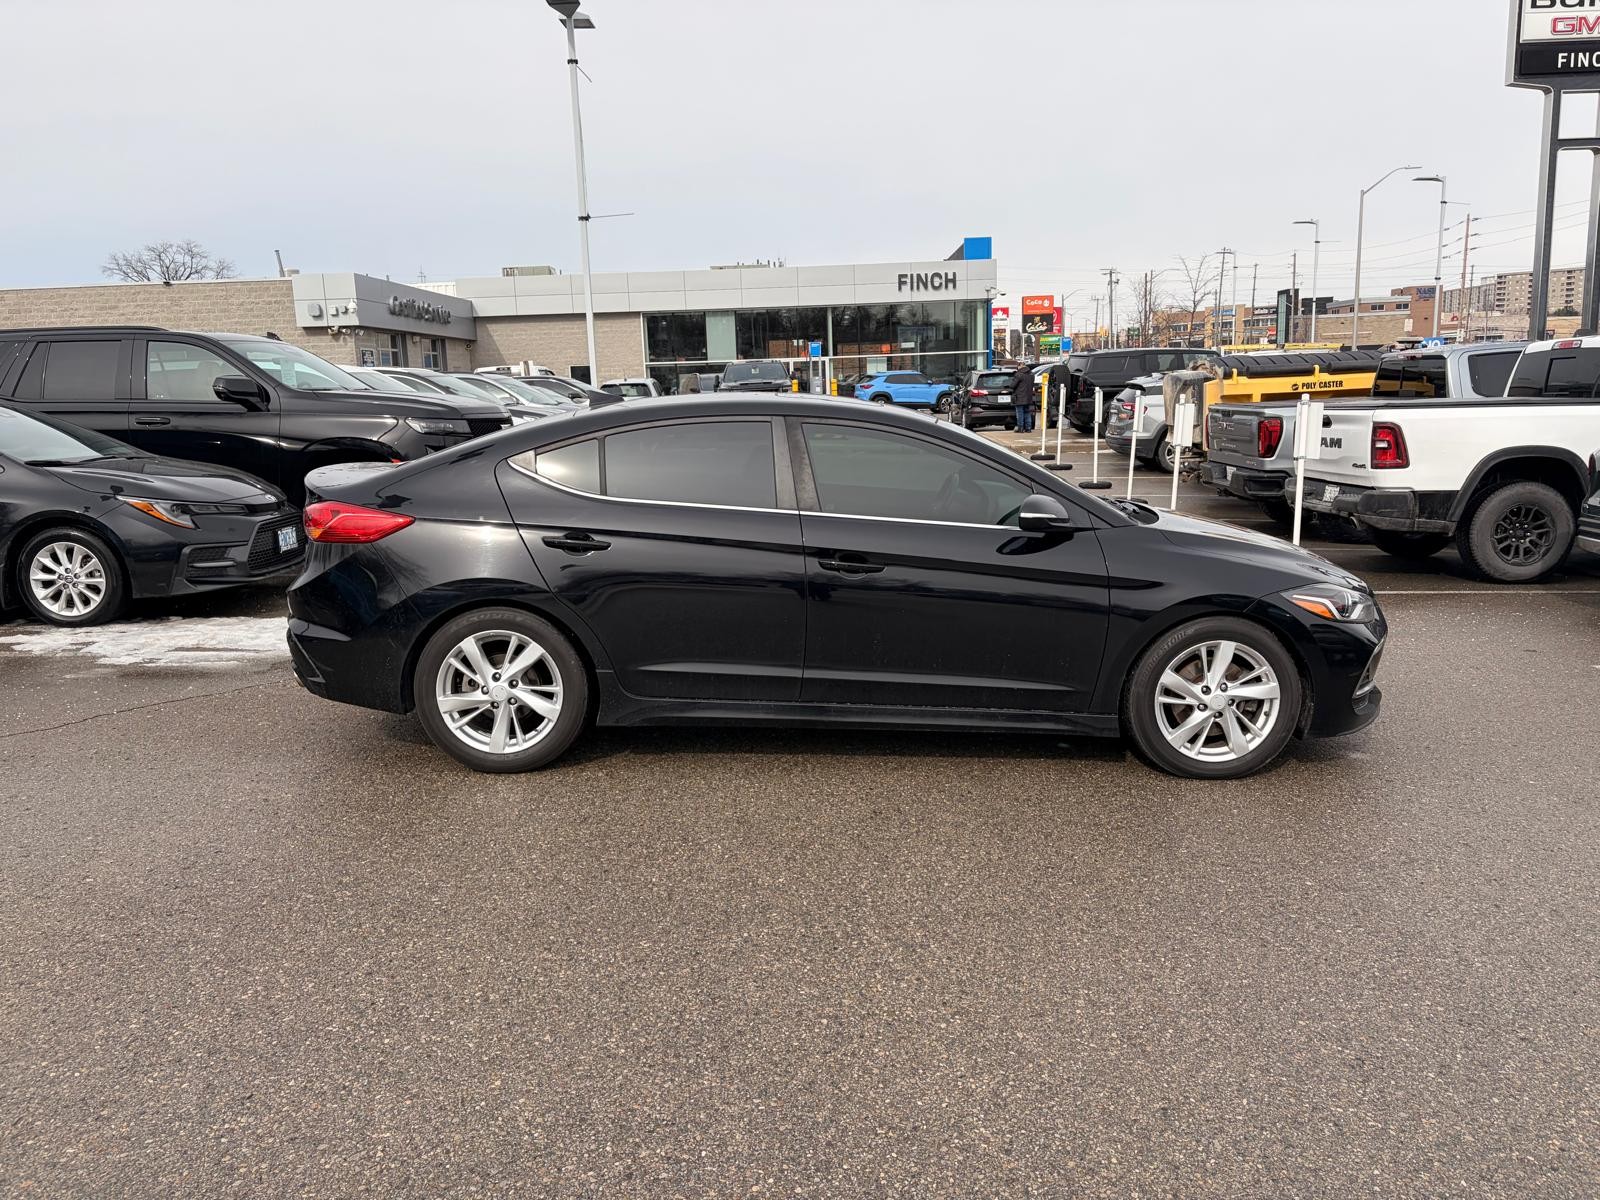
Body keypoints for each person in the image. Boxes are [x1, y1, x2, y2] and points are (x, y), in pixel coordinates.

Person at [1011, 364, 1036, 433]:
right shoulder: (1031, 374)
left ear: (1019, 367)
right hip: (1028, 397)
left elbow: (1012, 385)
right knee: (1027, 412)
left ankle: (1020, 428)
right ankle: (1028, 428)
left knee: (1019, 413)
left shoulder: (1019, 374)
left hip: (1019, 397)